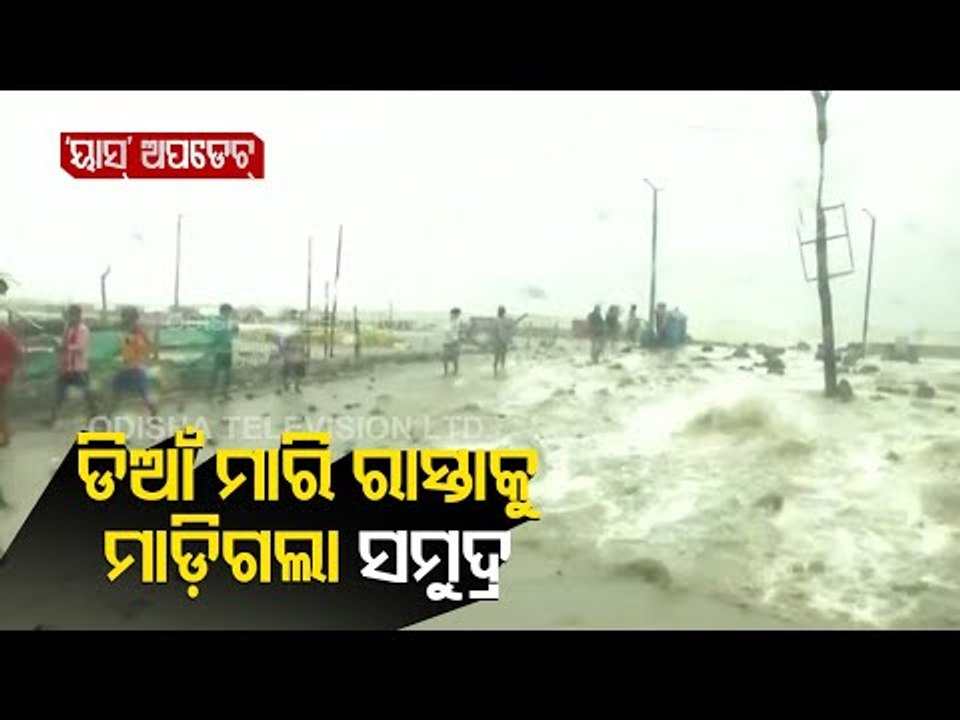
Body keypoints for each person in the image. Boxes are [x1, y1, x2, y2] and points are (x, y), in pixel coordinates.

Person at [48, 304, 97, 425]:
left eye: (72, 314)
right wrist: (60, 347)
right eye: (69, 314)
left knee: (87, 395)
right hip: (67, 367)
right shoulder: (68, 328)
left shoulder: (82, 329)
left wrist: (64, 347)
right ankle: (52, 418)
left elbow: (80, 347)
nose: (70, 317)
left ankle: (96, 417)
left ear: (78, 315)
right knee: (59, 394)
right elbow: (65, 344)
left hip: (79, 367)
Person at [109, 306, 157, 417]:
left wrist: (135, 361)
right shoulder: (131, 331)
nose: (123, 319)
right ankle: (107, 417)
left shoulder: (137, 332)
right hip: (131, 367)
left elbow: (141, 349)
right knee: (117, 390)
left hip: (136, 368)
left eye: (125, 317)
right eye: (124, 317)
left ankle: (107, 417)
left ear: (132, 318)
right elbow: (127, 348)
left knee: (143, 393)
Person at [0, 312, 24, 447]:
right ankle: (5, 435)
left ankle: (5, 436)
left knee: (2, 408)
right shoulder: (8, 336)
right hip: (5, 375)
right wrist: (17, 370)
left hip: (2, 376)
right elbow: (19, 353)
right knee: (3, 408)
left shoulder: (5, 336)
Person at [208, 303, 238, 401]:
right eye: (229, 312)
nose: (230, 314)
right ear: (224, 311)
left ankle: (225, 394)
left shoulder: (227, 322)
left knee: (227, 373)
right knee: (216, 373)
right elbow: (214, 337)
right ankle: (211, 393)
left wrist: (233, 332)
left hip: (227, 351)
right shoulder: (216, 322)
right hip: (219, 351)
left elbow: (229, 336)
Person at [279, 326, 307, 393]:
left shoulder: (299, 340)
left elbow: (302, 350)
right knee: (287, 374)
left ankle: (294, 387)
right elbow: (283, 350)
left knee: (297, 375)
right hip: (290, 360)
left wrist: (303, 358)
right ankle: (289, 387)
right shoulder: (288, 340)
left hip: (297, 360)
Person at [492, 305, 513, 377]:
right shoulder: (496, 320)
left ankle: (501, 368)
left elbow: (509, 327)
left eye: (501, 311)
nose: (500, 313)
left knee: (503, 355)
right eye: (500, 311)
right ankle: (495, 370)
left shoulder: (505, 320)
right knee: (497, 356)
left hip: (503, 341)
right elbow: (494, 330)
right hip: (498, 340)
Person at [443, 307, 464, 376]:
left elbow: (459, 331)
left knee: (455, 358)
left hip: (454, 341)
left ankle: (455, 371)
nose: (458, 316)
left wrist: (458, 338)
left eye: (458, 314)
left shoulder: (458, 321)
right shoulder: (448, 321)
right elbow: (446, 330)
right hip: (447, 341)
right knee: (445, 358)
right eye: (457, 314)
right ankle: (446, 372)